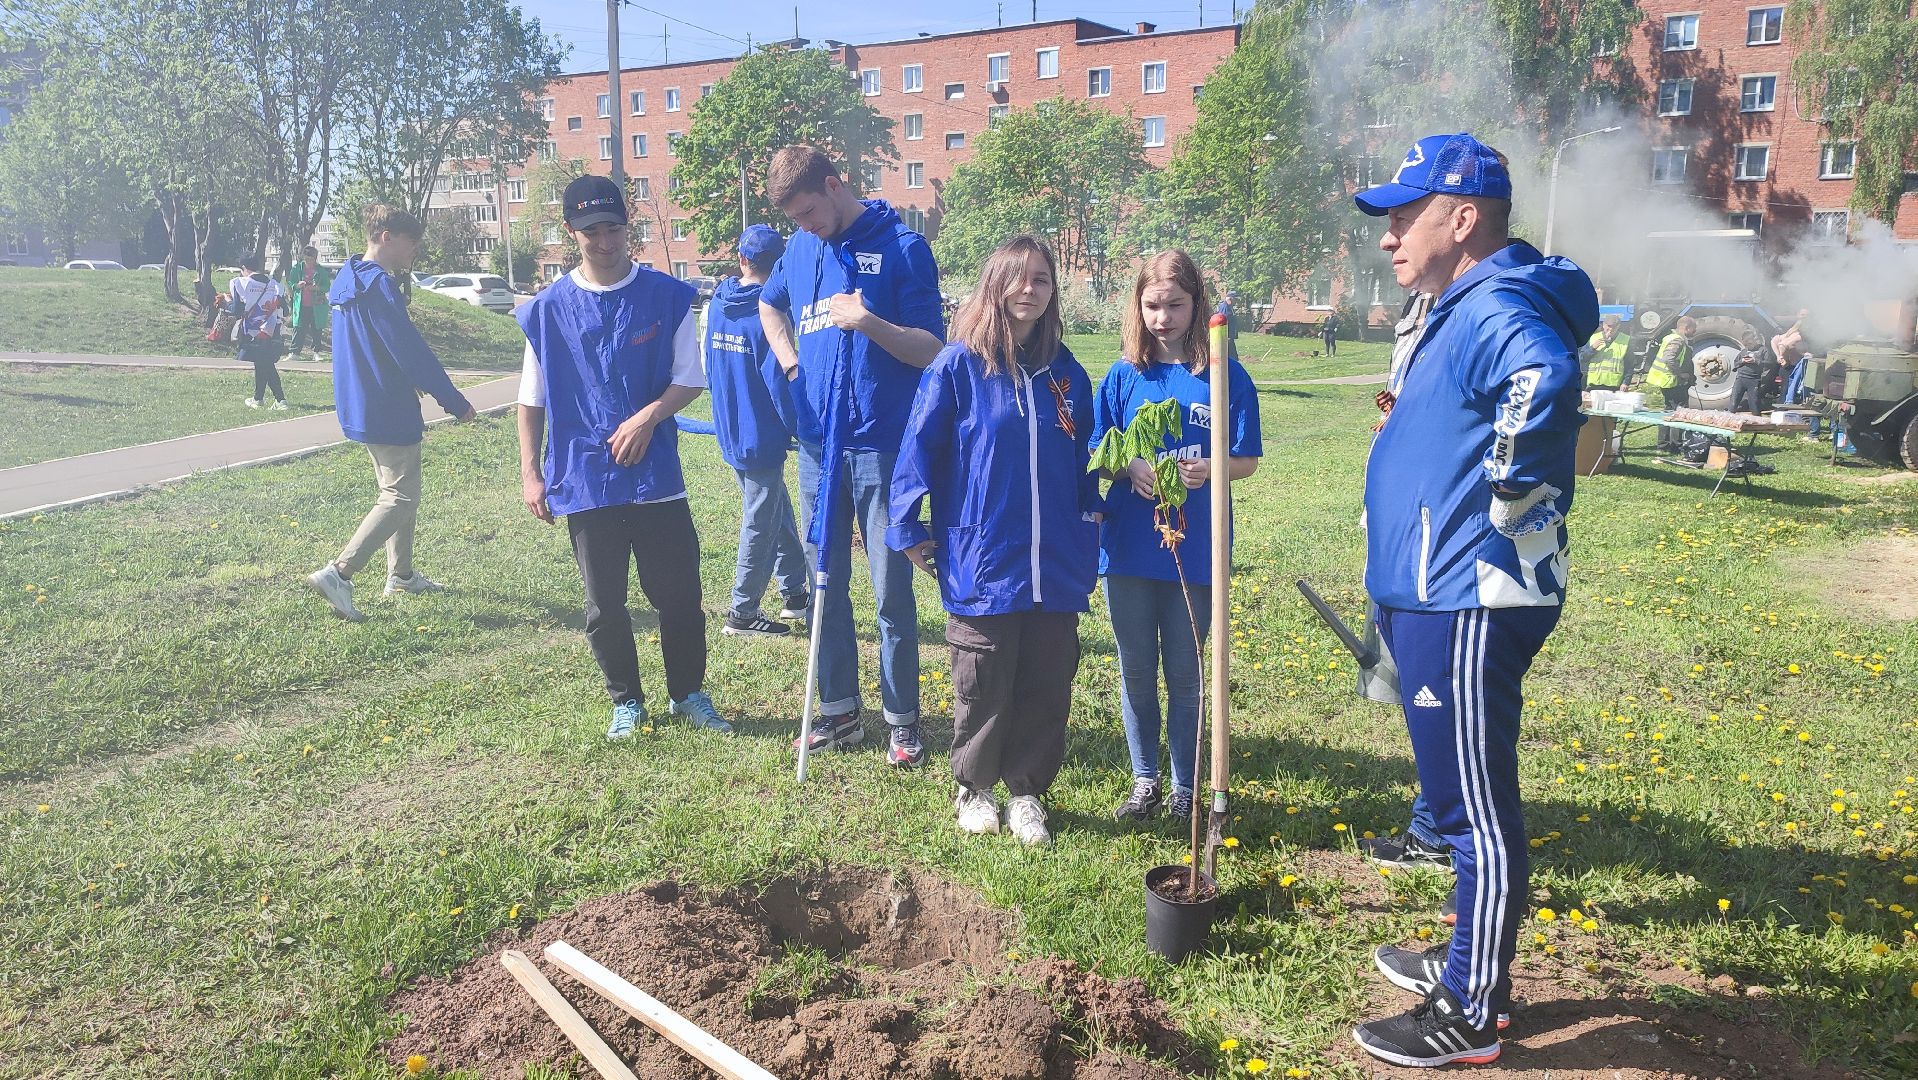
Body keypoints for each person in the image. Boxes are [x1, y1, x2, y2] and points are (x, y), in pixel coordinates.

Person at [1349, 132, 1597, 1068]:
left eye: (1404, 217)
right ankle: (1463, 949)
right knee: (1455, 794)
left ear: (1463, 219)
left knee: (1474, 807)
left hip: (1465, 596)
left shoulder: (1496, 301)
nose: (1388, 238)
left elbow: (1545, 379)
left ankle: (1471, 1007)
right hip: (1436, 589)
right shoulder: (1458, 301)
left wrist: (1506, 500)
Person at [889, 235, 1101, 845]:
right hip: (984, 554)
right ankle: (974, 788)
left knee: (1047, 673)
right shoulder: (959, 367)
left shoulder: (1067, 376)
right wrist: (907, 523)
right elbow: (919, 447)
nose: (1029, 290)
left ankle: (1027, 792)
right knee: (982, 674)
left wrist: (1099, 511)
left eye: (1041, 278)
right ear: (996, 286)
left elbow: (1086, 458)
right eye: (1018, 278)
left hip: (1054, 558)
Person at [515, 175, 732, 740]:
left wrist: (646, 417)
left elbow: (689, 380)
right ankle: (626, 703)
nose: (604, 241)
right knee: (603, 603)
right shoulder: (547, 311)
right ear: (571, 233)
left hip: (656, 478)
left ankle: (688, 693)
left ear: (627, 228)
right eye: (591, 231)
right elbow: (530, 399)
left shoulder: (667, 296)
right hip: (585, 478)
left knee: (680, 594)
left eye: (613, 228)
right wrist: (531, 473)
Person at [757, 145, 946, 767]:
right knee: (823, 584)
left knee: (892, 591)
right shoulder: (801, 247)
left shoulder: (903, 248)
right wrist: (790, 364)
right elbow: (769, 302)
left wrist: (868, 324)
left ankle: (902, 722)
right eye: (795, 219)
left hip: (883, 447)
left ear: (836, 185)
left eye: (810, 211)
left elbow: (929, 349)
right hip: (819, 448)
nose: (805, 226)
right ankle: (838, 712)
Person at [1096, 249, 1262, 825]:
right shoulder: (1124, 376)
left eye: (1175, 305)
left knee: (1187, 674)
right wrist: (1127, 465)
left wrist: (1214, 468)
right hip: (1130, 549)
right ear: (1137, 308)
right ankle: (1144, 780)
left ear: (1198, 306)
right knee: (1136, 668)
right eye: (1152, 306)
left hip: (1195, 550)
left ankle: (1185, 786)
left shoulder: (1222, 376)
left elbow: (1247, 458)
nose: (1162, 318)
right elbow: (1098, 451)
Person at [307, 205, 475, 622]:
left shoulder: (347, 279)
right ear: (385, 236)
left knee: (397, 493)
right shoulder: (380, 286)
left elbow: (370, 346)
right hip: (387, 404)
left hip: (359, 401)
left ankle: (401, 575)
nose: (414, 250)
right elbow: (410, 350)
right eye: (410, 242)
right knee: (399, 497)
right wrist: (454, 401)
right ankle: (340, 573)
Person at [705, 224, 811, 638]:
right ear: (779, 264)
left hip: (730, 426)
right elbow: (779, 381)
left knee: (774, 508)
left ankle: (795, 593)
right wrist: (801, 428)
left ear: (742, 259)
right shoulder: (768, 313)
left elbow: (710, 366)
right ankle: (742, 612)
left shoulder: (716, 303)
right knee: (760, 521)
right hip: (760, 433)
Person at [228, 255, 288, 410]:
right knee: (262, 362)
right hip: (271, 329)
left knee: (265, 364)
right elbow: (285, 309)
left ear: (243, 268)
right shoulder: (274, 284)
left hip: (252, 331)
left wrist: (226, 302)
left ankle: (281, 400)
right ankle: (258, 399)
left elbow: (236, 309)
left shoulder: (239, 283)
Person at [1640, 315, 1695, 452]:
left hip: (1664, 380)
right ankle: (1675, 446)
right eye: (1693, 329)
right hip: (1671, 381)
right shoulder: (1677, 340)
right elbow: (1669, 358)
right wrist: (1681, 374)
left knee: (1667, 411)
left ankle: (1663, 445)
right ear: (1686, 328)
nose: (1694, 333)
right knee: (1678, 412)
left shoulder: (1670, 337)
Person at [287, 244, 332, 360]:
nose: (308, 261)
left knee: (316, 328)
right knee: (299, 328)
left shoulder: (320, 270)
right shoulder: (297, 268)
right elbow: (290, 283)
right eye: (306, 259)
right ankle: (294, 352)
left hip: (317, 305)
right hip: (301, 304)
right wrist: (297, 285)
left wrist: (316, 288)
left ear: (315, 258)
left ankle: (316, 352)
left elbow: (327, 286)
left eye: (311, 259)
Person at [1580, 314, 1629, 391]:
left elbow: (1629, 364)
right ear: (1603, 325)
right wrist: (1593, 348)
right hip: (1594, 385)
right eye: (1609, 326)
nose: (1611, 329)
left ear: (1618, 326)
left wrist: (1626, 382)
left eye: (1614, 327)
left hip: (1614, 386)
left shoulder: (1625, 340)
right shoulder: (1593, 338)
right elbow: (1582, 358)